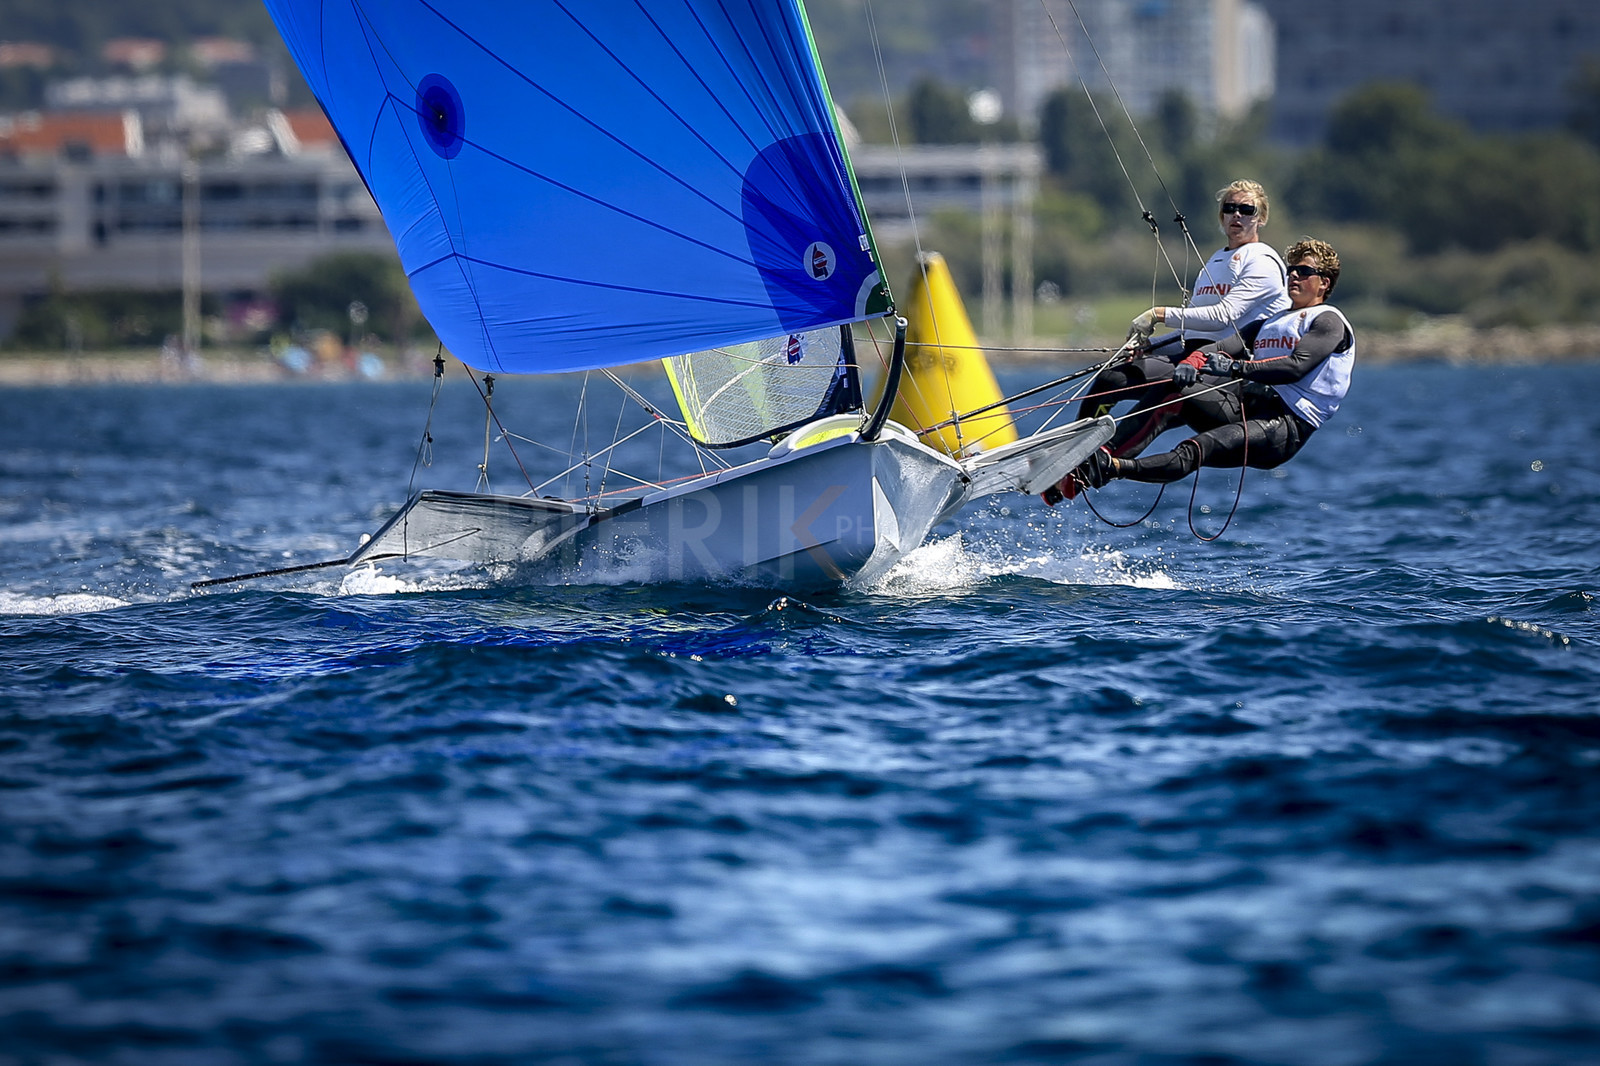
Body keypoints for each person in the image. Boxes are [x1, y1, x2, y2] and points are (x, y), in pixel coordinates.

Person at [1053, 237, 1354, 499]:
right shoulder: (1269, 323)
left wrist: (1236, 369)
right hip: (1246, 406)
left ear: (1324, 282)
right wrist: (1191, 362)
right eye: (1291, 270)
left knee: (1198, 447)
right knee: (1173, 390)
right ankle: (1087, 464)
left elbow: (1295, 368)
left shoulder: (1328, 320)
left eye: (1303, 271)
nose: (1293, 276)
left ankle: (1114, 469)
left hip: (1284, 427)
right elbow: (1222, 346)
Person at [1073, 179, 1290, 437]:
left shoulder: (1262, 261)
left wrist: (1158, 314)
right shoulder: (1216, 260)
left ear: (1261, 217)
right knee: (1112, 379)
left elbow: (1222, 318)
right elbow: (1192, 334)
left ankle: (1107, 458)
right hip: (1189, 356)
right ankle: (1073, 448)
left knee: (1162, 393)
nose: (1236, 215)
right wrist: (1150, 347)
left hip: (1225, 366)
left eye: (1247, 210)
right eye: (1230, 208)